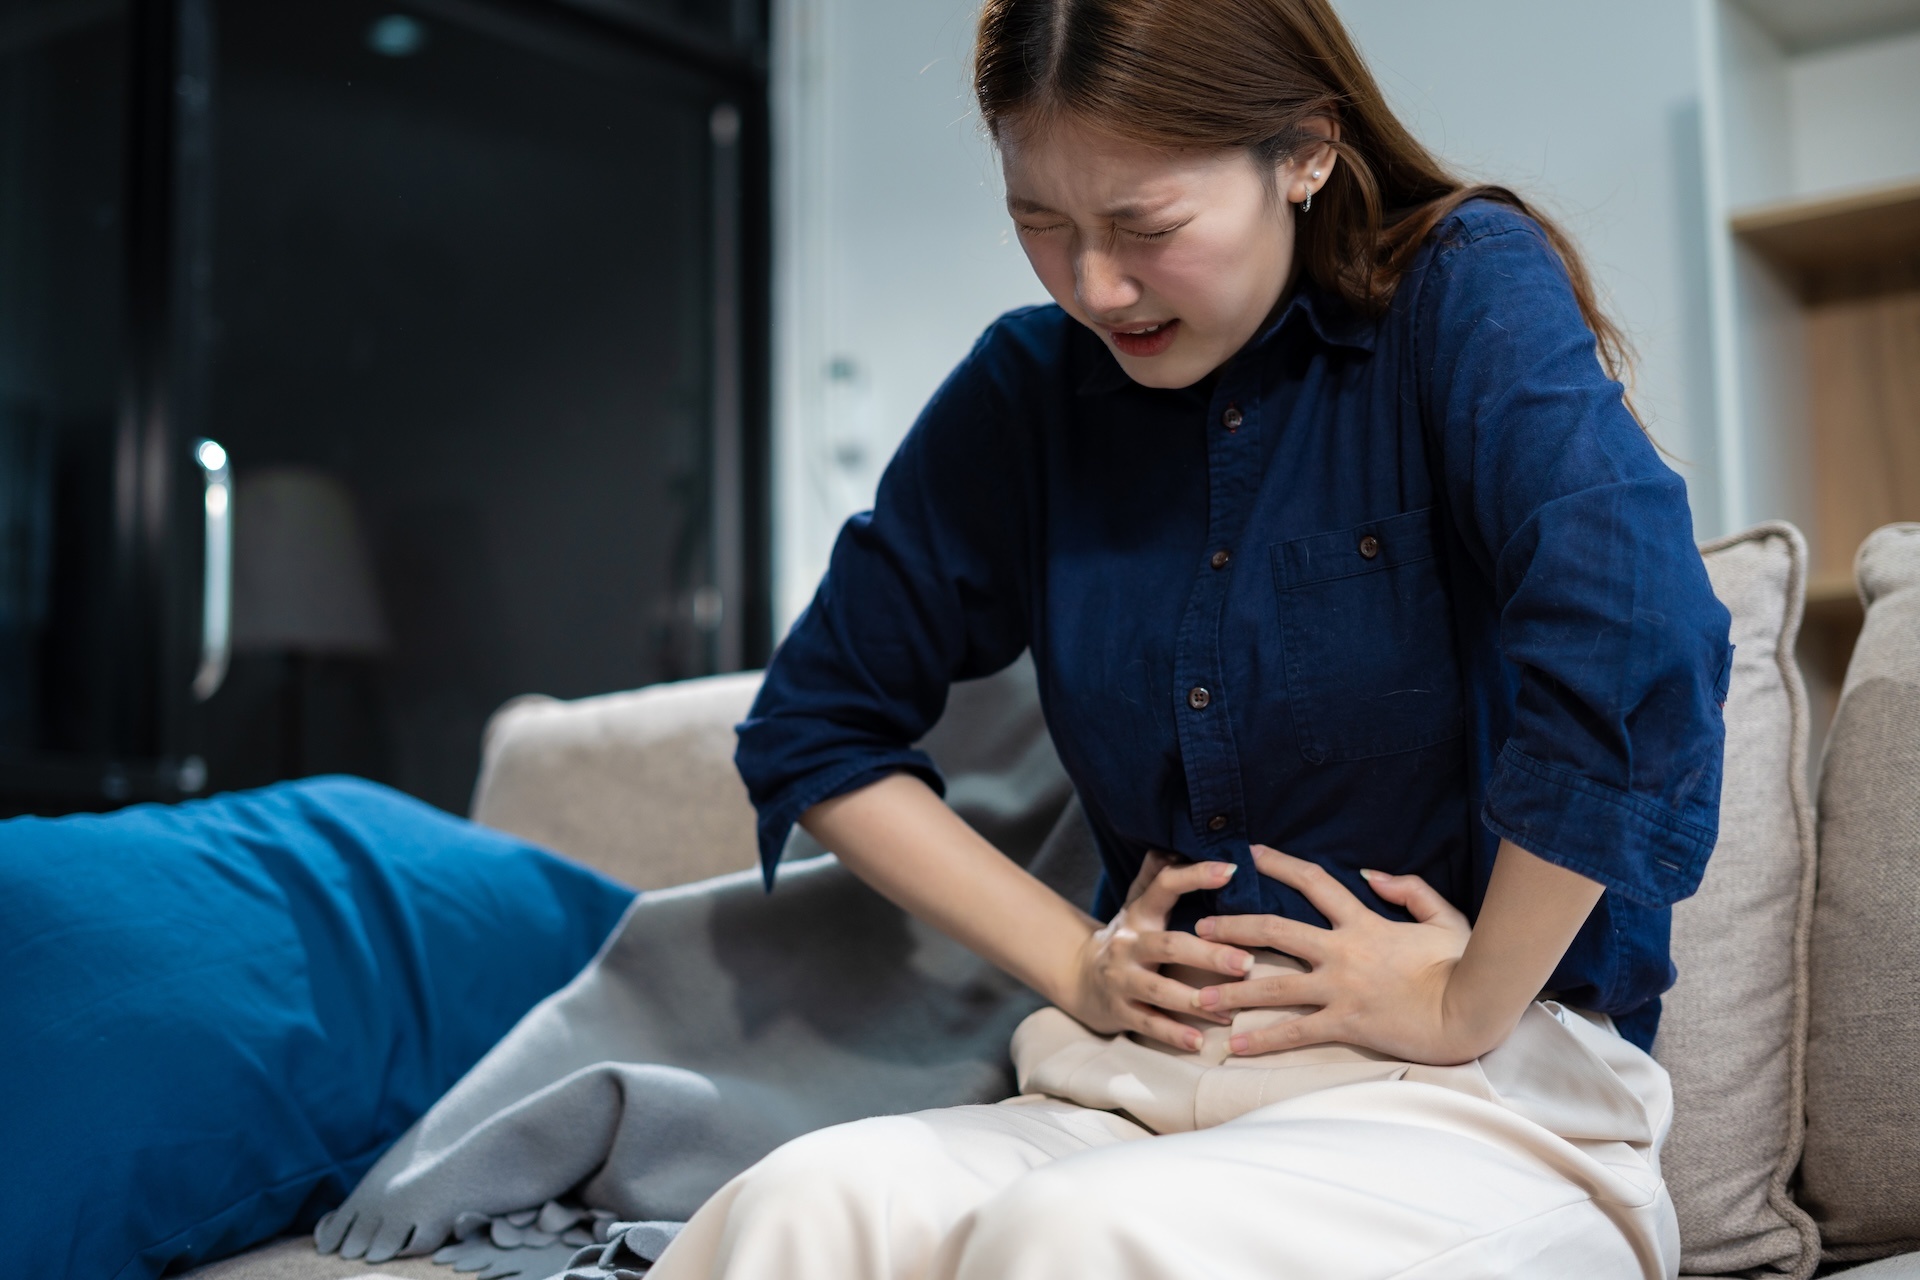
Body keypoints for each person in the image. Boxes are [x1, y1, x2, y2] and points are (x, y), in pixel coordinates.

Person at [653, 1, 1731, 1276]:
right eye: (1040, 224)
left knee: (1072, 1237)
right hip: (1137, 1088)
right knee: (805, 1200)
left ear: (1306, 151)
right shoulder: (1028, 391)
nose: (1093, 286)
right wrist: (1077, 959)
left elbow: (1630, 622)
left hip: (1478, 1105)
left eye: (1145, 228)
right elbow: (815, 726)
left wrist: (1467, 994)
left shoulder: (1462, 287)